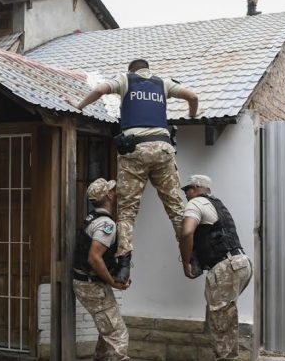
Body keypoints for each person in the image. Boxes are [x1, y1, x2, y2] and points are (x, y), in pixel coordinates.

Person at [72, 58, 199, 284]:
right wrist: (192, 114)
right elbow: (193, 97)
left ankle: (123, 267)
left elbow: (100, 90)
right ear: (148, 69)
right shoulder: (163, 83)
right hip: (163, 149)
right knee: (175, 208)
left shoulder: (125, 80)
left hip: (135, 150)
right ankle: (193, 258)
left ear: (131, 70)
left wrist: (78, 105)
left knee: (127, 211)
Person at [179, 175, 252, 361]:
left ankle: (226, 357)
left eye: (187, 189)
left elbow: (187, 232)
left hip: (225, 267)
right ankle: (230, 356)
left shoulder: (195, 203)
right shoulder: (217, 204)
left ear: (196, 188)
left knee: (220, 324)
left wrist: (186, 261)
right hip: (242, 263)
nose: (185, 193)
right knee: (226, 319)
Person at [72, 178, 131, 361]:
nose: (115, 192)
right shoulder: (106, 224)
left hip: (89, 282)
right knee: (117, 334)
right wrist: (113, 282)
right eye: (112, 190)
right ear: (109, 196)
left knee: (107, 330)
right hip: (91, 285)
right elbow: (94, 258)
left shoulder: (92, 218)